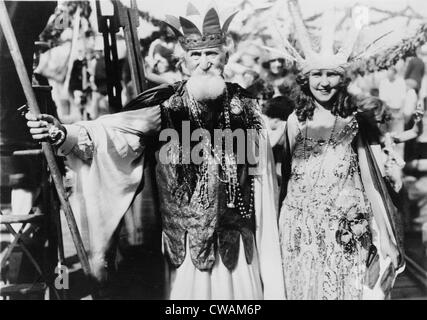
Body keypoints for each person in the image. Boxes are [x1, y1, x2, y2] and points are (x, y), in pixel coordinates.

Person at [24, 4, 285, 300]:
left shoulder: (250, 112)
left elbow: (263, 189)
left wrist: (271, 275)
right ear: (184, 62)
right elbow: (110, 132)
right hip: (184, 256)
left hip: (237, 255)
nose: (204, 63)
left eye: (211, 53)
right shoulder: (164, 108)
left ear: (225, 56)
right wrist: (62, 133)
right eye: (195, 55)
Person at [277, 0, 404, 300]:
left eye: (331, 74)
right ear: (305, 79)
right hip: (300, 230)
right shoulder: (296, 121)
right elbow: (284, 177)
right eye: (316, 75)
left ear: (341, 79)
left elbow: (371, 183)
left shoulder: (354, 122)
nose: (323, 82)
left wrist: (386, 237)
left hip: (344, 232)